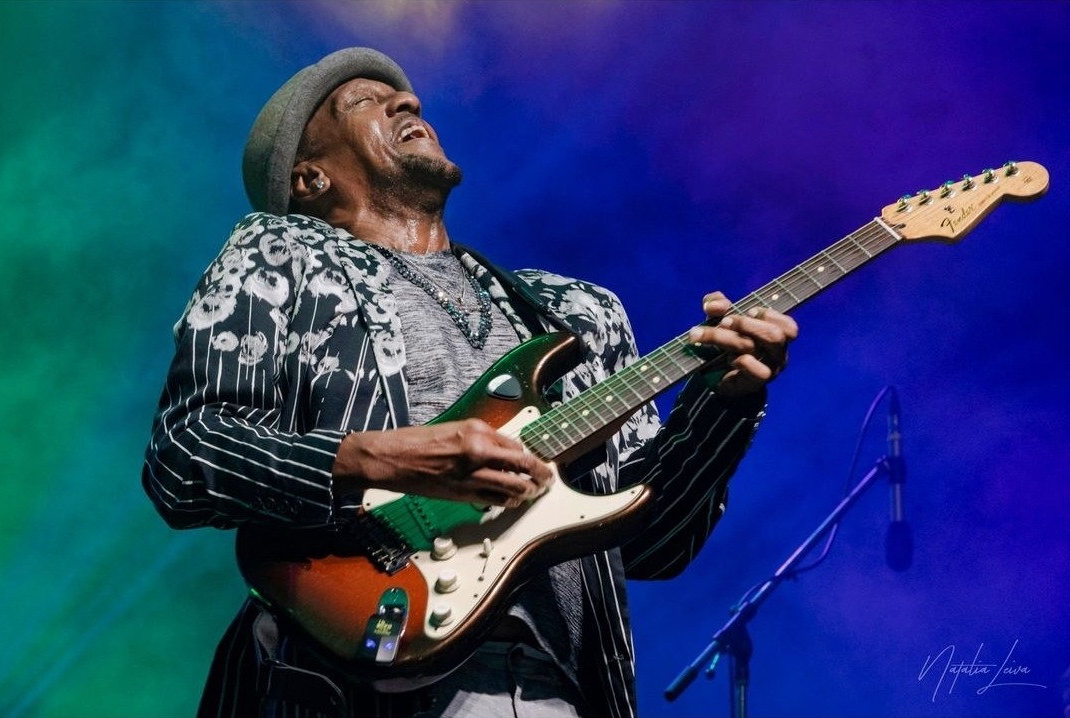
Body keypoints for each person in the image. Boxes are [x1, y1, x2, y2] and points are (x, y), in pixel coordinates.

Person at [142, 47, 797, 718]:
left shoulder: (576, 313)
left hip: (553, 691)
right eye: (364, 102)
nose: (407, 101)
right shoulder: (280, 253)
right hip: (348, 683)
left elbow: (654, 546)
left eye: (405, 97)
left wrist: (724, 403)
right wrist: (389, 459)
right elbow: (186, 455)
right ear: (311, 180)